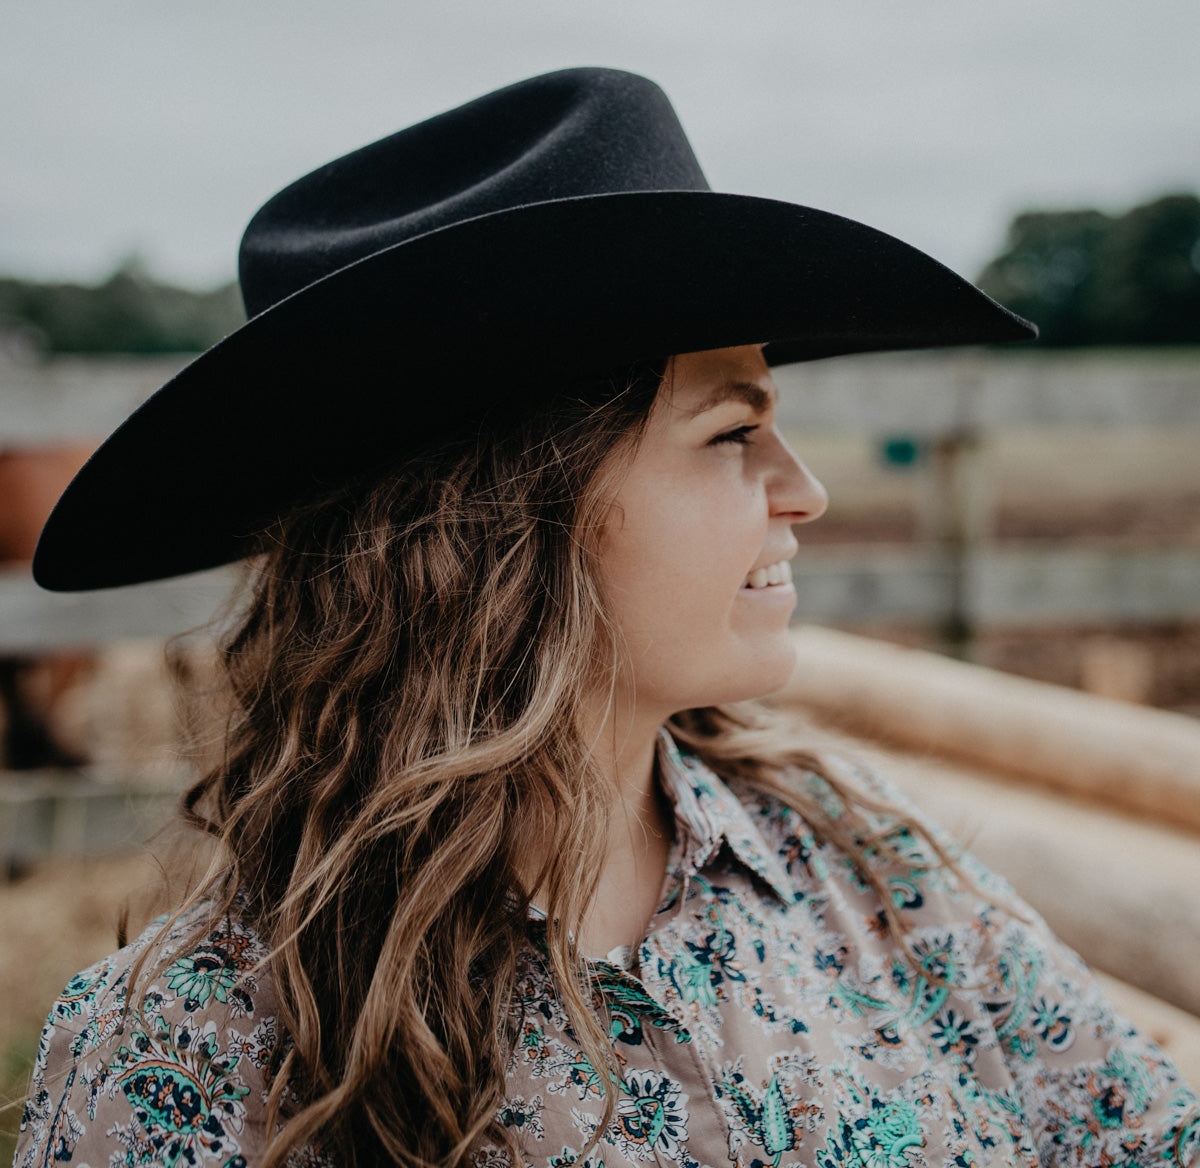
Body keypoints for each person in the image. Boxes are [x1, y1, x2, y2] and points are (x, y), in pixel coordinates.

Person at [17, 67, 1199, 1168]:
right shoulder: (183, 1059)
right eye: (733, 432)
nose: (807, 490)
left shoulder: (861, 861)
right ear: (501, 518)